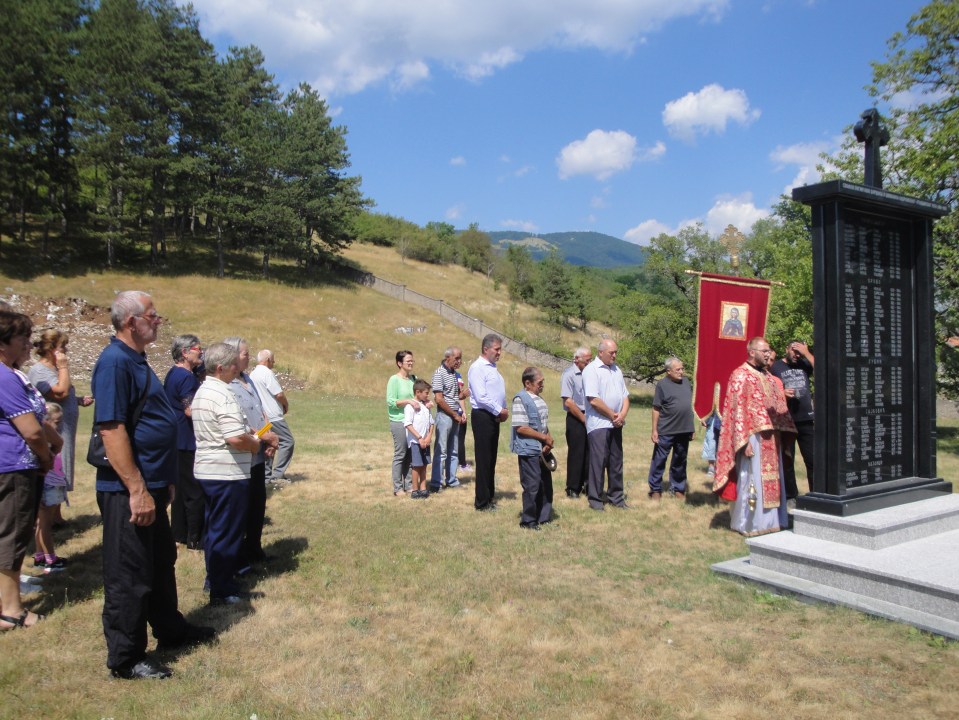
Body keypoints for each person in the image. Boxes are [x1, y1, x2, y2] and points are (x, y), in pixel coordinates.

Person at [90, 291, 215, 679]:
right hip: (128, 491)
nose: (159, 321)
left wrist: (164, 481)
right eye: (152, 315)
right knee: (129, 572)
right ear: (131, 322)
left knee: (161, 562)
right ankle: (126, 657)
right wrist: (137, 489)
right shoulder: (114, 362)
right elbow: (112, 429)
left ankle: (170, 629)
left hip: (154, 485)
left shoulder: (136, 360)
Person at [192, 342, 271, 605]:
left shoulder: (204, 390)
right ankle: (223, 588)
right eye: (233, 364)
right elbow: (235, 437)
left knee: (216, 528)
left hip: (210, 470)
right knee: (226, 531)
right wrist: (255, 444)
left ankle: (217, 580)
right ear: (220, 368)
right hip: (225, 473)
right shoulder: (222, 394)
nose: (238, 368)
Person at [0, 310, 53, 630]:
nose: (28, 344)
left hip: (11, 465)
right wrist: (46, 456)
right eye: (22, 337)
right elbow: (31, 430)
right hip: (14, 467)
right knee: (13, 535)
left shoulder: (11, 373)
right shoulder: (5, 377)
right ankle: (11, 610)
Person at [713, 337, 797, 536]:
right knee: (752, 479)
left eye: (769, 351)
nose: (768, 354)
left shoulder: (768, 377)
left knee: (772, 480)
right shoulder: (740, 375)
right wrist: (743, 442)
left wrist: (783, 431)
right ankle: (750, 524)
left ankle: (772, 521)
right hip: (752, 438)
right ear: (752, 352)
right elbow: (736, 410)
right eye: (764, 351)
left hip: (772, 437)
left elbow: (778, 406)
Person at [27, 329, 94, 521]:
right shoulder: (39, 371)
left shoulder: (54, 370)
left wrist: (78, 400)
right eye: (62, 346)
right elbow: (60, 392)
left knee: (62, 469)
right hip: (54, 433)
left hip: (65, 431)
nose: (66, 351)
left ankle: (56, 515)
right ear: (51, 349)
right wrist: (64, 367)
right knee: (56, 469)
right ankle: (49, 518)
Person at [224, 337, 278, 567]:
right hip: (241, 455)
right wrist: (264, 437)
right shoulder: (227, 384)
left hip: (257, 454)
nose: (249, 356)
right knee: (242, 508)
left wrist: (269, 436)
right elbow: (240, 422)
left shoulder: (248, 379)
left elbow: (260, 412)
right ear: (233, 355)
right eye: (245, 353)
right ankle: (239, 557)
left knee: (257, 503)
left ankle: (255, 549)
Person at [163, 334, 205, 551]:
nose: (201, 352)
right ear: (185, 352)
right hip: (187, 439)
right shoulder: (186, 377)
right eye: (198, 348)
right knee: (194, 490)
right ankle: (195, 537)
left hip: (176, 438)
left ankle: (178, 532)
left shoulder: (173, 373)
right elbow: (190, 410)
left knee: (180, 491)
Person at [583, 339, 630, 511]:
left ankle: (616, 498)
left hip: (616, 423)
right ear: (601, 352)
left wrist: (621, 415)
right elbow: (593, 400)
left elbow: (625, 396)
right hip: (599, 424)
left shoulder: (617, 370)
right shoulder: (591, 370)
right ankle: (595, 499)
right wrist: (612, 415)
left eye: (616, 352)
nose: (615, 355)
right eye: (612, 353)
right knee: (599, 462)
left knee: (616, 462)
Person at [769, 340, 815, 499]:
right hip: (785, 419)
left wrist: (806, 353)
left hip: (806, 419)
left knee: (813, 460)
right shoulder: (776, 367)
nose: (796, 355)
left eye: (799, 352)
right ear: (786, 349)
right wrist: (782, 394)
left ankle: (816, 494)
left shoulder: (804, 364)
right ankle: (790, 496)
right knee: (787, 460)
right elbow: (768, 389)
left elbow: (823, 372)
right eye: (794, 351)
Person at [468, 334, 507, 512]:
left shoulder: (492, 368)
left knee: (491, 458)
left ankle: (489, 495)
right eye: (496, 349)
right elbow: (481, 397)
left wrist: (502, 410)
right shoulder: (478, 368)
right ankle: (482, 502)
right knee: (484, 459)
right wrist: (499, 410)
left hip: (493, 415)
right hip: (483, 416)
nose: (499, 352)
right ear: (486, 349)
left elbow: (497, 392)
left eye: (500, 349)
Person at [511, 367, 554, 530]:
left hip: (541, 449)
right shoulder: (520, 399)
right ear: (527, 383)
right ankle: (528, 521)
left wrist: (548, 440)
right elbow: (521, 428)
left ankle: (544, 518)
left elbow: (543, 424)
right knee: (532, 485)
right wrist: (544, 438)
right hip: (528, 449)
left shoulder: (539, 399)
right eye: (539, 382)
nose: (542, 385)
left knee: (545, 485)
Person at [647, 356, 695, 500]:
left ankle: (678, 488)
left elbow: (690, 406)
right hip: (666, 430)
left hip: (684, 429)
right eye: (678, 369)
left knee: (680, 460)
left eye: (682, 369)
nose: (681, 372)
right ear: (668, 371)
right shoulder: (662, 385)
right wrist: (654, 430)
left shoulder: (686, 382)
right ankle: (655, 489)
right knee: (659, 460)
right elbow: (656, 408)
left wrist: (692, 427)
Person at [250, 349, 294, 485]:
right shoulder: (267, 373)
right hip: (273, 416)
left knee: (268, 443)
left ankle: (266, 476)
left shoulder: (252, 374)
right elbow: (278, 394)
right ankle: (278, 474)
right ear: (268, 360)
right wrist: (286, 405)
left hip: (262, 417)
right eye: (273, 360)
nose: (273, 363)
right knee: (287, 441)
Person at [33, 402, 68, 571]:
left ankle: (40, 555)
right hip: (48, 486)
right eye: (56, 422)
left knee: (41, 523)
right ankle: (50, 559)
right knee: (45, 525)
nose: (58, 426)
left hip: (51, 485)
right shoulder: (44, 442)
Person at [429, 347, 466, 492]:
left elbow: (454, 396)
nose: (459, 361)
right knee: (441, 451)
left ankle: (452, 480)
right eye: (457, 358)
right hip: (445, 416)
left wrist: (464, 396)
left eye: (460, 358)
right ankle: (436, 483)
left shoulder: (455, 374)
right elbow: (439, 399)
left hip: (455, 415)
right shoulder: (439, 373)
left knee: (454, 450)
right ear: (447, 358)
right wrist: (454, 415)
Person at [560, 346, 592, 498]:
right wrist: (583, 419)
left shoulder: (590, 373)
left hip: (590, 415)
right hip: (575, 416)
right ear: (577, 359)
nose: (589, 363)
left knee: (590, 452)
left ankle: (588, 485)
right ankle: (573, 488)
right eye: (587, 361)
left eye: (591, 360)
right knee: (576, 453)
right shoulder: (569, 375)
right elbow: (568, 401)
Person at [386, 350, 419, 496]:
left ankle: (409, 484)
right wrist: (408, 401)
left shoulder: (414, 379)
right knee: (401, 453)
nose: (411, 363)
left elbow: (418, 397)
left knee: (411, 454)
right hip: (399, 421)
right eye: (408, 361)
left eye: (412, 360)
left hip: (412, 421)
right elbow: (391, 402)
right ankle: (398, 487)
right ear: (399, 363)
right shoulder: (394, 380)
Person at [404, 379, 434, 500]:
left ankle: (423, 488)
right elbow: (408, 424)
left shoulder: (426, 407)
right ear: (418, 392)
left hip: (426, 441)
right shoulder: (410, 407)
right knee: (417, 466)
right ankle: (415, 490)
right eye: (426, 393)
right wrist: (420, 438)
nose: (428, 395)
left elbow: (431, 423)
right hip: (416, 442)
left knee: (424, 465)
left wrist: (429, 437)